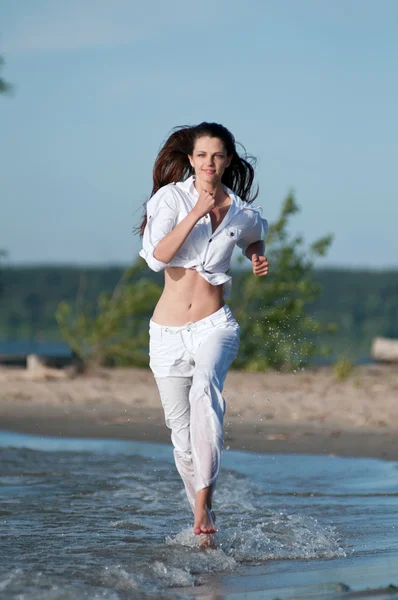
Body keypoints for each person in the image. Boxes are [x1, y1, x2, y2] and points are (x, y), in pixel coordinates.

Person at [138, 122, 269, 538]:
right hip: (167, 332)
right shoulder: (171, 198)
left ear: (228, 159)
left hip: (215, 325)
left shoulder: (241, 210)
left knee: (204, 394)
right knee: (180, 434)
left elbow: (253, 235)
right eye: (201, 156)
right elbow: (157, 258)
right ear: (191, 159)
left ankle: (203, 505)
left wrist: (255, 255)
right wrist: (195, 211)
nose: (209, 163)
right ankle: (203, 516)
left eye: (217, 156)